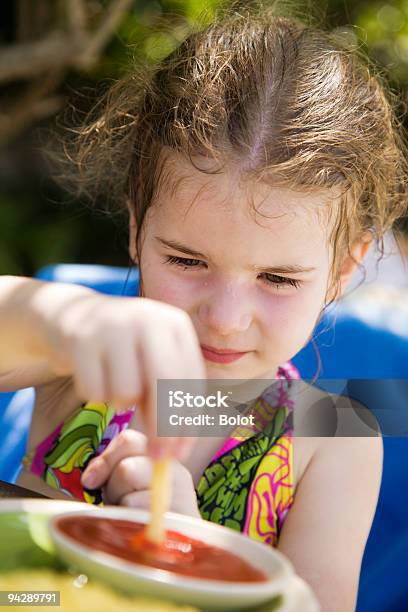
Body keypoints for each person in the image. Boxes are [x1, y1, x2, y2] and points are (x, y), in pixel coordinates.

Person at [1, 5, 407, 610]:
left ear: (342, 270)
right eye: (187, 262)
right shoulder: (87, 361)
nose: (224, 317)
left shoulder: (334, 438)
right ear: (138, 228)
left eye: (276, 277)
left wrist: (200, 555)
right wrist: (58, 319)